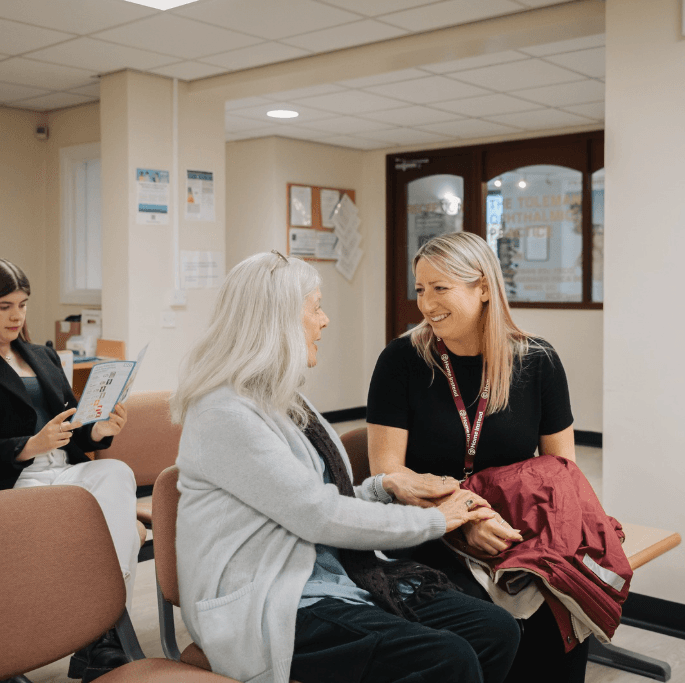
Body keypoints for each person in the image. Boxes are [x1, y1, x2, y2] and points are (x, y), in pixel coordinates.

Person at [171, 250, 520, 683]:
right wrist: (433, 520)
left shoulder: (282, 400)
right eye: (315, 307)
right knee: (446, 658)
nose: (325, 320)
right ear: (276, 321)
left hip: (327, 576)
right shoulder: (225, 413)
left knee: (494, 629)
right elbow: (317, 514)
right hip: (274, 599)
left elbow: (315, 500)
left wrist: (386, 489)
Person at [366, 232, 589, 683]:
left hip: (513, 524)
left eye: (440, 288)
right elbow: (388, 471)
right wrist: (465, 519)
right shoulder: (402, 361)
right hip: (429, 528)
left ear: (483, 288)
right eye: (420, 289)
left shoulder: (537, 361)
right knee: (489, 618)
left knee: (562, 607)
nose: (426, 303)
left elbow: (562, 471)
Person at [0, 259, 139, 683]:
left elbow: (72, 426)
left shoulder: (42, 356)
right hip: (17, 482)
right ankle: (96, 637)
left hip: (63, 472)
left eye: (22, 304)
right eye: (4, 306)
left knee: (116, 473)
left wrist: (98, 430)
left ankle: (99, 628)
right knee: (123, 532)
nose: (16, 316)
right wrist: (27, 447)